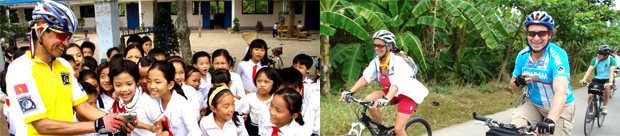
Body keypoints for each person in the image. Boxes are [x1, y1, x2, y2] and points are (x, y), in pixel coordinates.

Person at [5, 1, 135, 135]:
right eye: (61, 36)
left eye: (69, 37)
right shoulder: (20, 69)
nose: (66, 43)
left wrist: (116, 119)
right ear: (40, 32)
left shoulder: (63, 65)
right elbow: (41, 125)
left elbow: (83, 106)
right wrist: (97, 125)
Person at [340, 30, 429, 136]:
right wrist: (350, 92)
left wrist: (386, 99)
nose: (377, 48)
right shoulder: (377, 62)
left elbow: (397, 84)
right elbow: (365, 78)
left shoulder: (398, 62)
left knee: (398, 130)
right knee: (369, 100)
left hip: (408, 95)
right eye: (375, 45)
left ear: (389, 46)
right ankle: (382, 129)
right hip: (393, 92)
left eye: (380, 46)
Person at [509, 11, 574, 135]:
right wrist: (518, 82)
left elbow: (561, 91)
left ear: (550, 35)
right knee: (514, 129)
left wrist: (550, 120)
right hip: (534, 103)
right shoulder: (523, 55)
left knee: (548, 132)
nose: (536, 38)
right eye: (532, 33)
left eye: (542, 33)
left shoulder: (558, 55)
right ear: (527, 35)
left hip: (560, 107)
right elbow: (513, 87)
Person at [109, 60, 161, 135]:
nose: (124, 89)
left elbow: (160, 124)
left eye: (129, 84)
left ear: (136, 82)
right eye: (118, 85)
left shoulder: (146, 101)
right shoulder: (117, 100)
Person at [147, 61, 200, 135]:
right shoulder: (151, 100)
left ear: (170, 85)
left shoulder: (182, 104)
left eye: (157, 82)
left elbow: (195, 132)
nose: (152, 86)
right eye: (149, 81)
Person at [241, 67, 280, 135]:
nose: (262, 85)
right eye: (259, 81)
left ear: (274, 84)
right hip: (252, 128)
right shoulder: (249, 97)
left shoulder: (276, 99)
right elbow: (245, 114)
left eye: (266, 82)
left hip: (269, 128)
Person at [580, 45, 615, 118]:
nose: (598, 55)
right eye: (598, 53)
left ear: (605, 55)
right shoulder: (595, 60)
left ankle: (604, 106)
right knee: (591, 95)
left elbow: (611, 72)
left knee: (607, 88)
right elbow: (589, 70)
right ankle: (590, 111)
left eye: (600, 54)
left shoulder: (611, 60)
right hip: (597, 78)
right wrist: (584, 79)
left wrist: (610, 82)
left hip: (607, 79)